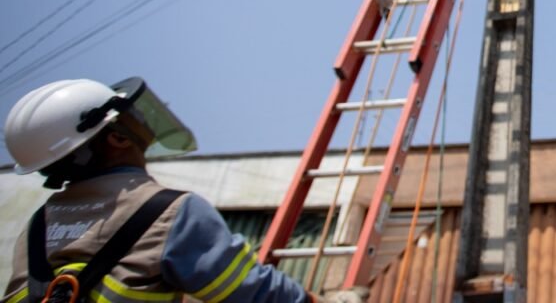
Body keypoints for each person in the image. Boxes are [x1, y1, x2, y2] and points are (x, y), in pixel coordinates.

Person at [2, 77, 358, 303]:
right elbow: (254, 294)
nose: (144, 120)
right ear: (117, 137)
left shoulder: (37, 228)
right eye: (131, 117)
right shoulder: (167, 212)